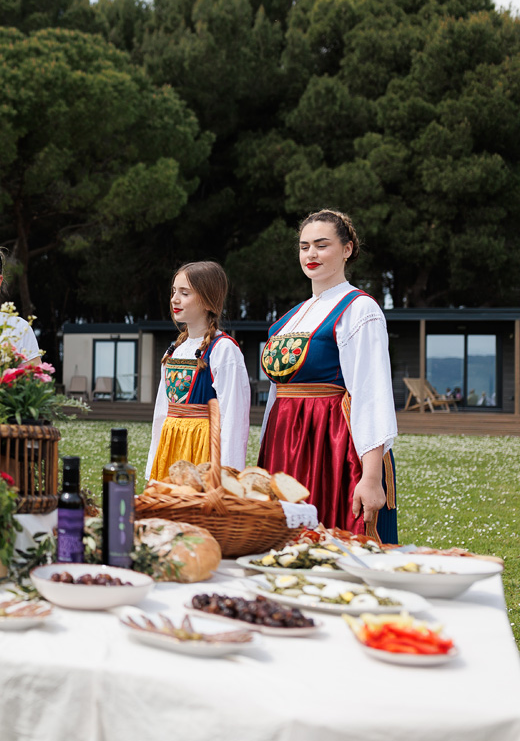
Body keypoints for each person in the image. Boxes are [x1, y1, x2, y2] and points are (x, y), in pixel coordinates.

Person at [258, 209, 398, 542]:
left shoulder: (360, 308)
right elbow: (277, 396)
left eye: (322, 245)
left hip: (332, 447)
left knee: (336, 546)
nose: (311, 254)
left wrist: (371, 476)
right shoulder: (289, 318)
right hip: (286, 446)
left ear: (347, 249)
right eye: (305, 246)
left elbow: (371, 393)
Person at [146, 261, 250, 482]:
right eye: (174, 291)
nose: (174, 299)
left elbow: (233, 418)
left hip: (203, 454)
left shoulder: (224, 349)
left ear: (208, 300)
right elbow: (161, 414)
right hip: (170, 448)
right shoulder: (174, 351)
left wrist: (228, 475)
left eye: (185, 293)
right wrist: (152, 465)